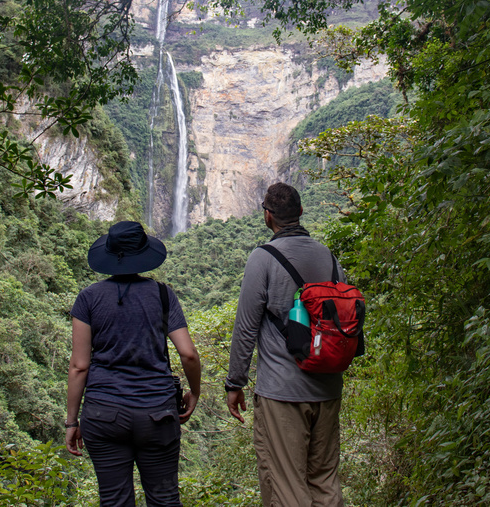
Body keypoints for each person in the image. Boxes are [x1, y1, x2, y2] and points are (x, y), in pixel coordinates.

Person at [224, 182, 347, 507]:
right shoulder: (329, 258)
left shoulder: (262, 259)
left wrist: (234, 382)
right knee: (325, 481)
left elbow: (246, 327)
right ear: (302, 212)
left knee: (286, 488)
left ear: (268, 216)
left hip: (282, 393)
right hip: (328, 387)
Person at [66, 220, 201, 507]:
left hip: (103, 414)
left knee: (114, 501)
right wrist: (195, 392)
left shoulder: (87, 299)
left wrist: (71, 421)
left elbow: (79, 365)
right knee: (165, 499)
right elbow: (188, 354)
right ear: (143, 255)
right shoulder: (164, 295)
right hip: (157, 414)